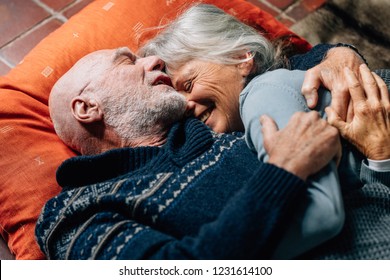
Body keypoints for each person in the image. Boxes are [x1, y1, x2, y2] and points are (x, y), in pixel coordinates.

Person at [36, 47, 343, 260]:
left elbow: (285, 62)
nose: (154, 60)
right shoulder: (71, 213)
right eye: (127, 62)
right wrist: (282, 172)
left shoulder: (209, 121)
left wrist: (339, 55)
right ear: (87, 107)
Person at [139, 4, 390, 258]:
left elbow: (322, 212)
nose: (187, 106)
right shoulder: (258, 103)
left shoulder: (261, 96)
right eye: (178, 99)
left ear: (241, 58)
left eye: (189, 84)